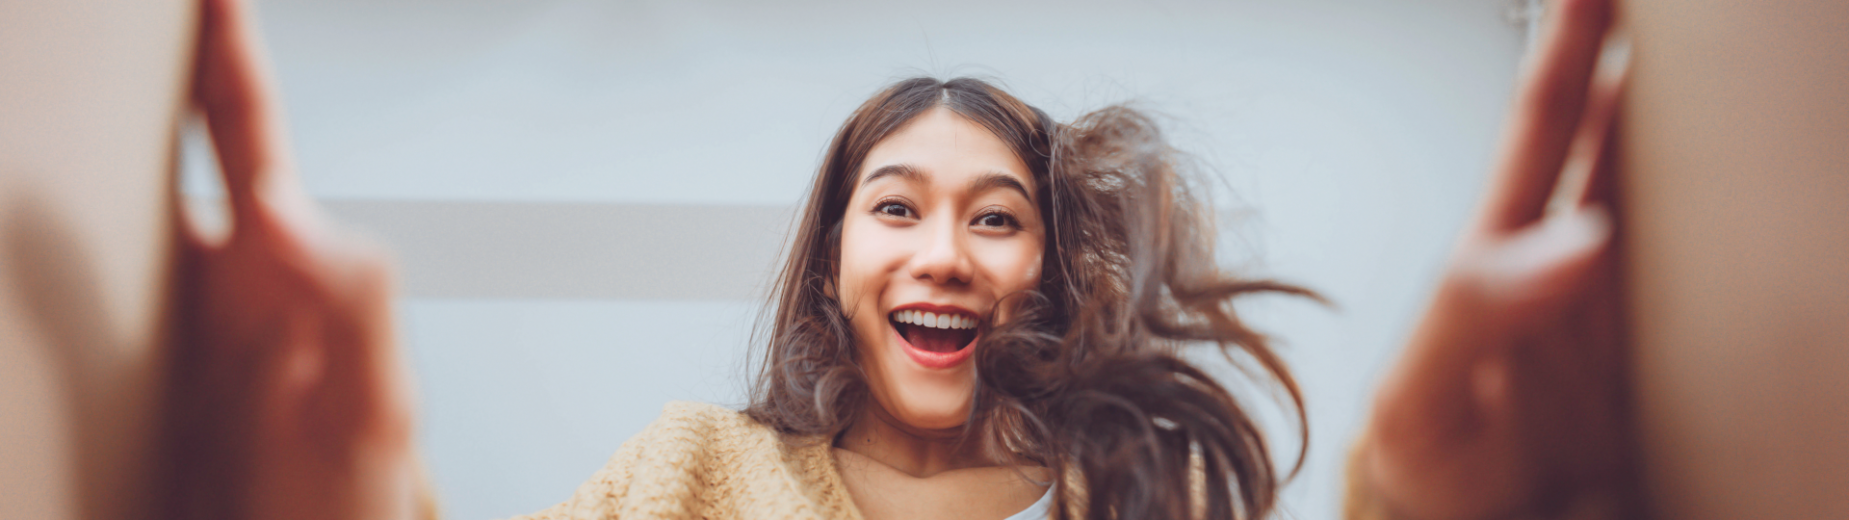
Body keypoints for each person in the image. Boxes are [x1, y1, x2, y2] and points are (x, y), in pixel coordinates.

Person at [161, 0, 1636, 518]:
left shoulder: (1142, 505)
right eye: (895, 207)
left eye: (997, 217)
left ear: (1050, 271)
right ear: (829, 272)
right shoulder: (683, 475)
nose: (947, 253)